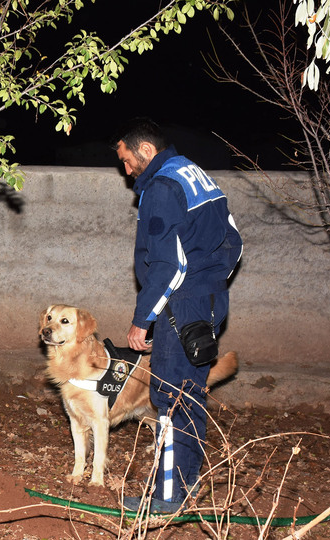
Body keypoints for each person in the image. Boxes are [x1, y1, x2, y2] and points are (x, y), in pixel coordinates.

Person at [114, 118, 243, 513]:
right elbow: (235, 242)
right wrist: (210, 284)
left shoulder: (163, 187)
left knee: (170, 399)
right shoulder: (194, 173)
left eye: (126, 159)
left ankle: (168, 496)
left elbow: (169, 265)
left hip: (181, 306)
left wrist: (143, 319)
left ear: (146, 151)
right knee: (189, 398)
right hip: (207, 301)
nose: (126, 169)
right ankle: (183, 486)